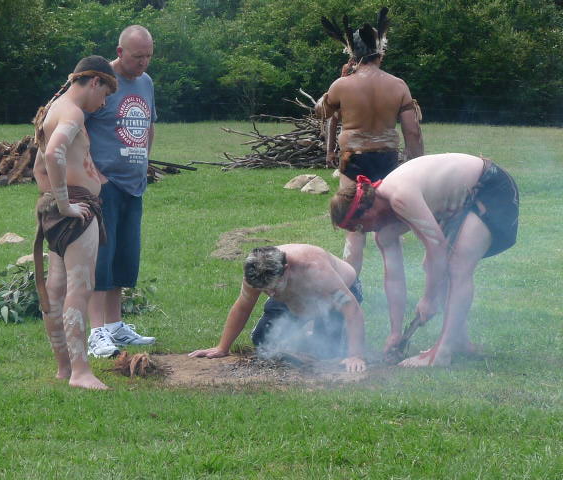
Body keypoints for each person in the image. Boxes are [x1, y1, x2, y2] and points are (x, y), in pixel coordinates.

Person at [329, 153, 519, 366]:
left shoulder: (400, 196)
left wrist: (429, 299)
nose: (362, 232)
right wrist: (395, 332)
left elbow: (436, 249)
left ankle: (442, 353)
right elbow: (394, 278)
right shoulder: (384, 231)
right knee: (437, 268)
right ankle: (458, 341)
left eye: (358, 226)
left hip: (490, 186)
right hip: (462, 203)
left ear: (368, 210)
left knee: (457, 266)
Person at [318, 8, 424, 282]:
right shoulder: (398, 85)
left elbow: (321, 113)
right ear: (380, 52)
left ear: (353, 54)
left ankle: (349, 292)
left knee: (355, 233)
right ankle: (395, 293)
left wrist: (336, 83)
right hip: (388, 162)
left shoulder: (342, 85)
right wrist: (417, 164)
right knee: (389, 233)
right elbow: (412, 131)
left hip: (353, 161)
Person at [32, 55, 118, 389]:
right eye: (105, 93)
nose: (104, 102)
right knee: (78, 288)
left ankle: (64, 368)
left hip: (59, 209)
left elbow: (40, 166)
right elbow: (54, 154)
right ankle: (81, 372)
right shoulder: (72, 112)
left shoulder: (52, 108)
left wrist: (53, 200)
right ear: (94, 81)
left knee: (55, 289)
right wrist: (67, 204)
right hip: (76, 211)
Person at [84, 25, 157, 358]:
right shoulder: (99, 81)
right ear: (119, 52)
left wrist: (146, 164)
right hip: (105, 185)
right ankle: (96, 331)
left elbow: (149, 124)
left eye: (148, 56)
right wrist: (92, 173)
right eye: (137, 56)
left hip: (133, 183)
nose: (143, 63)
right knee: (101, 256)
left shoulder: (146, 83)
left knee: (125, 257)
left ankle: (115, 326)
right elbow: (75, 126)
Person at [189, 244, 367, 373]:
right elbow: (243, 307)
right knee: (263, 341)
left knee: (330, 351)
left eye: (273, 288)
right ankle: (306, 336)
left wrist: (355, 355)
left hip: (334, 297)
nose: (270, 294)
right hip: (291, 299)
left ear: (286, 269)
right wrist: (223, 347)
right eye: (265, 291)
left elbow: (351, 309)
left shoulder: (316, 270)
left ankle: (315, 335)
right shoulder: (255, 275)